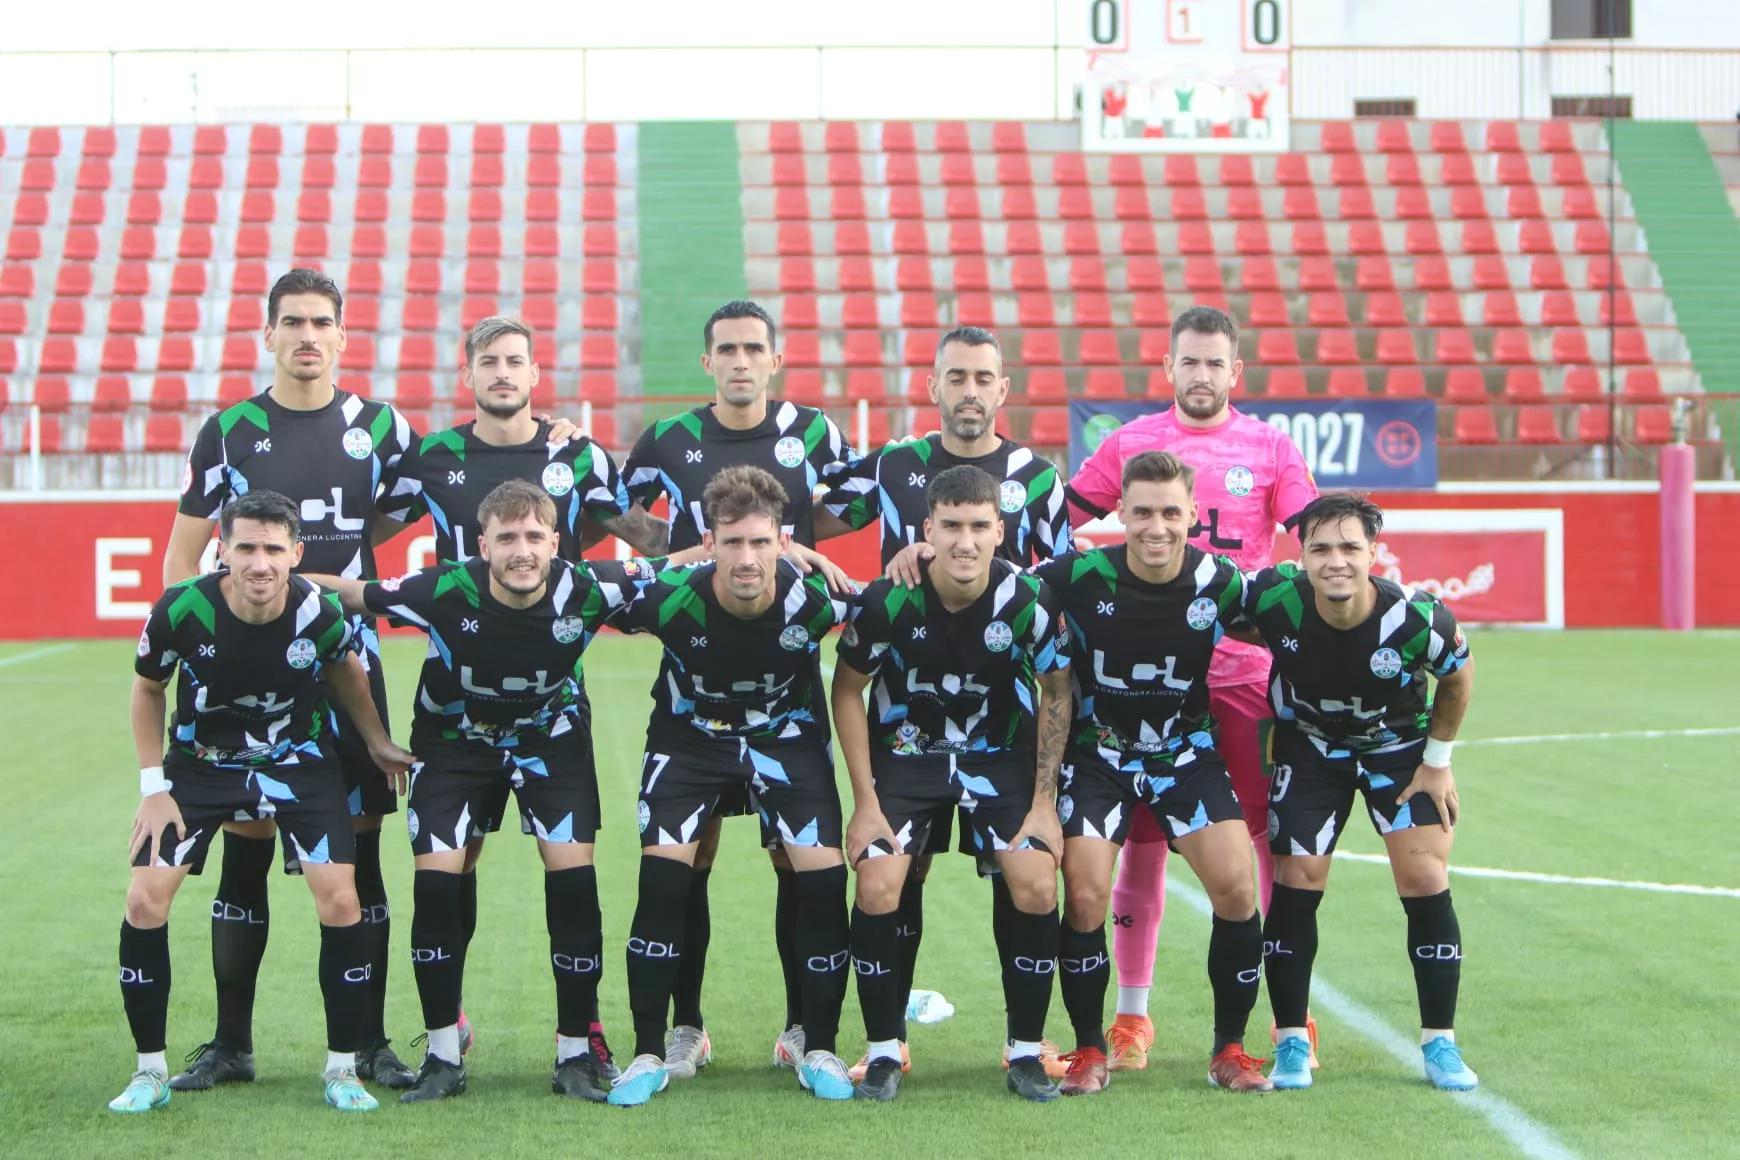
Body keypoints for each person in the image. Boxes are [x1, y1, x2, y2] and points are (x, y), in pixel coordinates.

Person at [374, 315, 668, 1072]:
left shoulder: (576, 453)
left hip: (551, 705)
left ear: (536, 375)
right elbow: (359, 535)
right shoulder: (431, 457)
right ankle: (447, 1036)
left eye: (515, 362)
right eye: (488, 362)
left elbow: (654, 544)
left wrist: (760, 542)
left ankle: (581, 1041)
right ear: (467, 375)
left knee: (570, 875)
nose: (502, 373)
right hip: (454, 703)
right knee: (448, 871)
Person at [311, 480, 658, 1103]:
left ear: (556, 542)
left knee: (575, 887)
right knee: (437, 886)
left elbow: (676, 568)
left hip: (551, 743)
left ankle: (574, 1053)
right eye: (506, 538)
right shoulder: (442, 587)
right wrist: (278, 571)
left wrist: (783, 554)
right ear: (483, 544)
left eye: (533, 537)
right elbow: (356, 594)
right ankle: (443, 1057)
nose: (520, 551)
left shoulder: (588, 586)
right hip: (454, 747)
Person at [162, 268, 420, 1090]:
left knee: (361, 855)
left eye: (322, 322)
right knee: (245, 845)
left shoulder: (381, 426)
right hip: (241, 671)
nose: (307, 335)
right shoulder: (230, 429)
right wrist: (183, 655)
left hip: (347, 660)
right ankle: (231, 1046)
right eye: (292, 322)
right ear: (266, 335)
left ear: (343, 336)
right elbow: (184, 554)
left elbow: (422, 501)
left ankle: (371, 1042)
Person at [814, 324, 1074, 1078]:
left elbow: (1056, 586)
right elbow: (811, 516)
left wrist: (999, 587)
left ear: (1002, 388)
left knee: (1025, 875)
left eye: (982, 377)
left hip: (998, 719)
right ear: (933, 387)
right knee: (894, 874)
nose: (968, 390)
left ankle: (1026, 1046)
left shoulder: (1038, 477)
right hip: (907, 728)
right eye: (954, 376)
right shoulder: (894, 464)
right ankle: (885, 1046)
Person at [1064, 304, 1318, 1069]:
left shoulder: (1271, 448)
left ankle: (1285, 1020)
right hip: (1136, 692)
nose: (1201, 375)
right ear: (1168, 368)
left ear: (1234, 373)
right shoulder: (1130, 443)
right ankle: (1131, 1019)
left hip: (1239, 683)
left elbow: (1313, 539)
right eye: (1189, 362)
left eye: (1215, 363)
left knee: (1254, 844)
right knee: (1139, 842)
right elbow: (1059, 525)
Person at [111, 491, 414, 1115]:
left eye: (273, 549)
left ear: (295, 554)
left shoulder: (318, 610)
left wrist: (378, 741)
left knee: (340, 898)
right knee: (144, 899)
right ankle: (148, 1072)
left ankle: (341, 1069)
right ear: (220, 550)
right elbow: (147, 689)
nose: (259, 563)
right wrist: (153, 787)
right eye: (245, 547)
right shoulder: (182, 608)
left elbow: (346, 672)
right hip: (200, 765)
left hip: (295, 761)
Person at [621, 300, 856, 1077]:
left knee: (799, 862)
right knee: (690, 856)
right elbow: (617, 513)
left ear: (776, 357)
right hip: (700, 666)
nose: (741, 360)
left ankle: (801, 1028)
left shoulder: (817, 433)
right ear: (708, 361)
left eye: (755, 347)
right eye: (727, 348)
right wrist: (687, 555)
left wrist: (794, 553)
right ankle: (684, 1028)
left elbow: (853, 501)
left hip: (785, 669)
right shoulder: (670, 439)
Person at [1032, 451, 1270, 1095]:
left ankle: (1230, 1051)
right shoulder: (1079, 573)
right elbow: (996, 589)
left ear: (1194, 514)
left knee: (1238, 890)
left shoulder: (1220, 582)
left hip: (1184, 754)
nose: (1156, 526)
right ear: (1121, 513)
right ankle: (1088, 1050)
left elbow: (1300, 612)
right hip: (1098, 755)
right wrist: (915, 560)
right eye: (1142, 512)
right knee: (1082, 894)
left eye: (1171, 512)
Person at [1240, 492, 1478, 1091]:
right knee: (1297, 879)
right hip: (1310, 748)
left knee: (1425, 878)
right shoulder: (1274, 599)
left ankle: (1440, 1045)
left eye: (1350, 546)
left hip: (1397, 748)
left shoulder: (1418, 618)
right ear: (1302, 556)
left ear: (1375, 551)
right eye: (1320, 548)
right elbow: (1199, 606)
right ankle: (1292, 1040)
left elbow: (1456, 676)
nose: (1336, 560)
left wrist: (1439, 761)